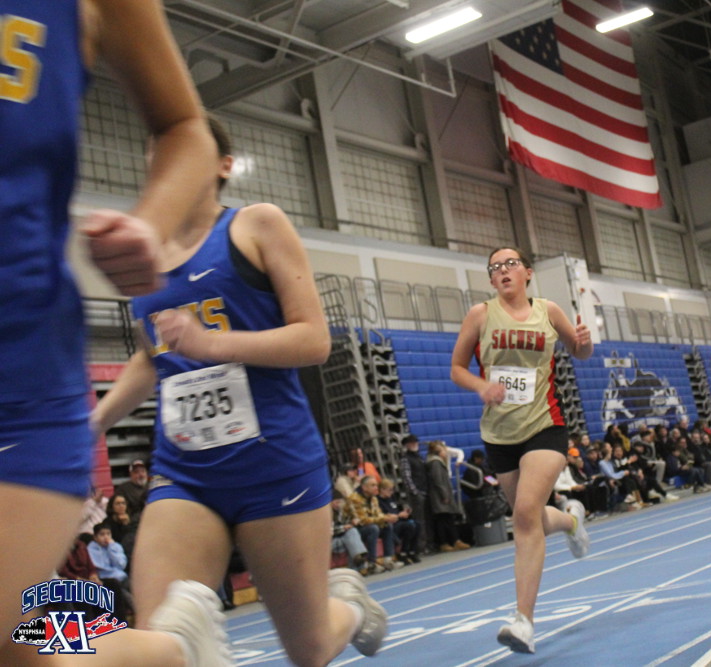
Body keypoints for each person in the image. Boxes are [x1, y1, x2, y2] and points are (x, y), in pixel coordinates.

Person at [92, 116, 387, 665]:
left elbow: (314, 339)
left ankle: (348, 605)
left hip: (273, 466)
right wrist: (93, 425)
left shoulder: (255, 226)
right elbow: (150, 357)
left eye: (182, 149)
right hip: (185, 472)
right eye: (157, 154)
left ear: (223, 165)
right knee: (160, 641)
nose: (167, 163)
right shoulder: (145, 257)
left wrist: (211, 345)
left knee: (309, 649)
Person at [0, 1, 233, 664]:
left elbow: (186, 126)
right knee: (18, 648)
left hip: (19, 369)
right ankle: (167, 649)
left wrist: (150, 225)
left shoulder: (254, 228)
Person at [451, 246, 593, 654]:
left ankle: (523, 621)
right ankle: (571, 521)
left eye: (510, 264)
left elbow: (580, 352)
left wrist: (583, 343)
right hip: (499, 434)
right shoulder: (480, 315)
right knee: (530, 518)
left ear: (527, 272)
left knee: (525, 515)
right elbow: (457, 368)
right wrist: (482, 386)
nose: (503, 271)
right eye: (495, 267)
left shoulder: (548, 311)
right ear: (491, 280)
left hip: (545, 424)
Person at [425, 441, 471, 553]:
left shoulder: (438, 462)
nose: (446, 453)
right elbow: (438, 480)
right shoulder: (435, 463)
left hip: (443, 493)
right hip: (440, 496)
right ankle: (444, 542)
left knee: (448, 518)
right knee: (442, 519)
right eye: (443, 451)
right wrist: (444, 494)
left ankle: (455, 540)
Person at [87, 521, 134, 622]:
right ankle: (136, 611)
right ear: (95, 537)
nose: (106, 537)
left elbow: (121, 564)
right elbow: (99, 566)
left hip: (122, 577)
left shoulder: (115, 546)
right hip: (107, 579)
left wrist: (112, 548)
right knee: (124, 594)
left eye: (108, 534)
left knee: (135, 587)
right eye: (102, 534)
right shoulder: (92, 549)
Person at [377, 479, 421, 565]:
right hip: (390, 524)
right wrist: (399, 515)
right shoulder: (378, 501)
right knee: (408, 526)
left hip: (399, 521)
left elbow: (396, 510)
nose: (391, 492)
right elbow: (385, 515)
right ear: (382, 490)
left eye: (392, 490)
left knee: (417, 524)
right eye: (389, 490)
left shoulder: (391, 499)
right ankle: (403, 552)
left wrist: (405, 512)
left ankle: (412, 551)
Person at [399, 434, 430, 554]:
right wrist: (415, 492)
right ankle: (421, 546)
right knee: (419, 521)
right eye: (411, 443)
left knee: (426, 519)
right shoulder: (406, 459)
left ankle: (428, 544)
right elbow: (406, 477)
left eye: (415, 442)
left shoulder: (419, 457)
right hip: (417, 493)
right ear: (407, 445)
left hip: (424, 490)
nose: (414, 444)